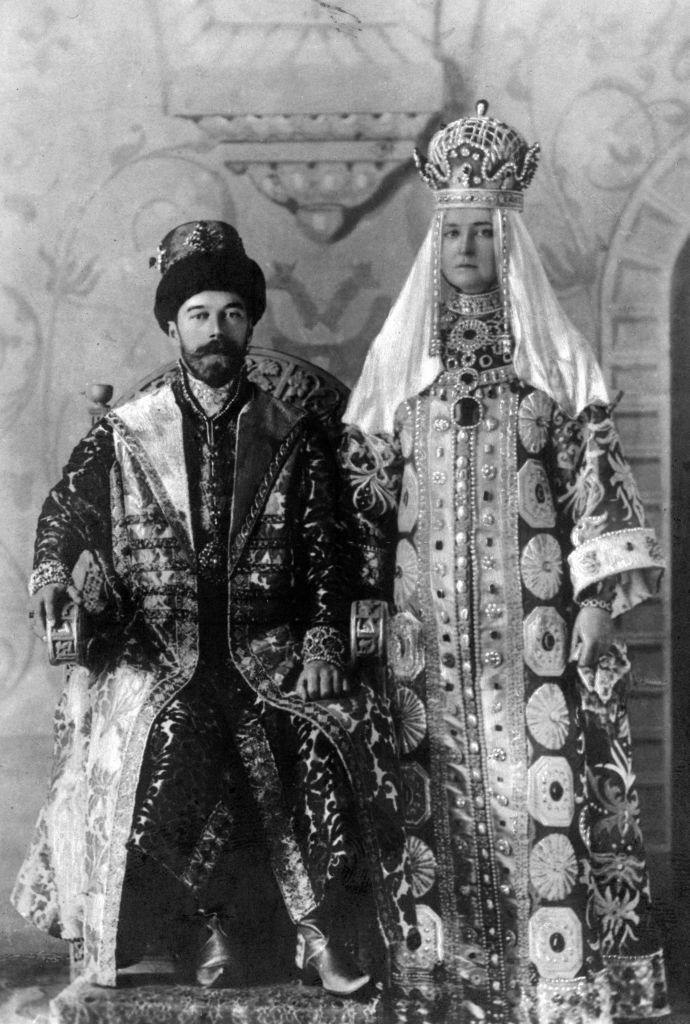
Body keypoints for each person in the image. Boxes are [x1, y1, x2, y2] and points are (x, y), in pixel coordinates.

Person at [12, 220, 417, 993]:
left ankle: (321, 937)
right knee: (173, 736)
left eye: (232, 313)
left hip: (270, 649)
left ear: (250, 322)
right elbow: (66, 514)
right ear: (172, 325)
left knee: (311, 739)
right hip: (158, 650)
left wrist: (326, 645)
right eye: (199, 314)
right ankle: (204, 929)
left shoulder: (292, 433)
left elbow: (328, 544)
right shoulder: (128, 435)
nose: (216, 331)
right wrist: (55, 580)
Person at [341, 103, 670, 1023]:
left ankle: (552, 986)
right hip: (425, 642)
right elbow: (360, 500)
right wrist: (363, 600)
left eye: (486, 233)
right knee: (429, 805)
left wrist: (598, 600)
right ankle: (443, 983)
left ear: (509, 245)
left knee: (540, 800)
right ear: (435, 243)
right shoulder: (400, 377)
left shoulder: (554, 372)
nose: (468, 249)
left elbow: (597, 492)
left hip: (535, 637)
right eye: (454, 232)